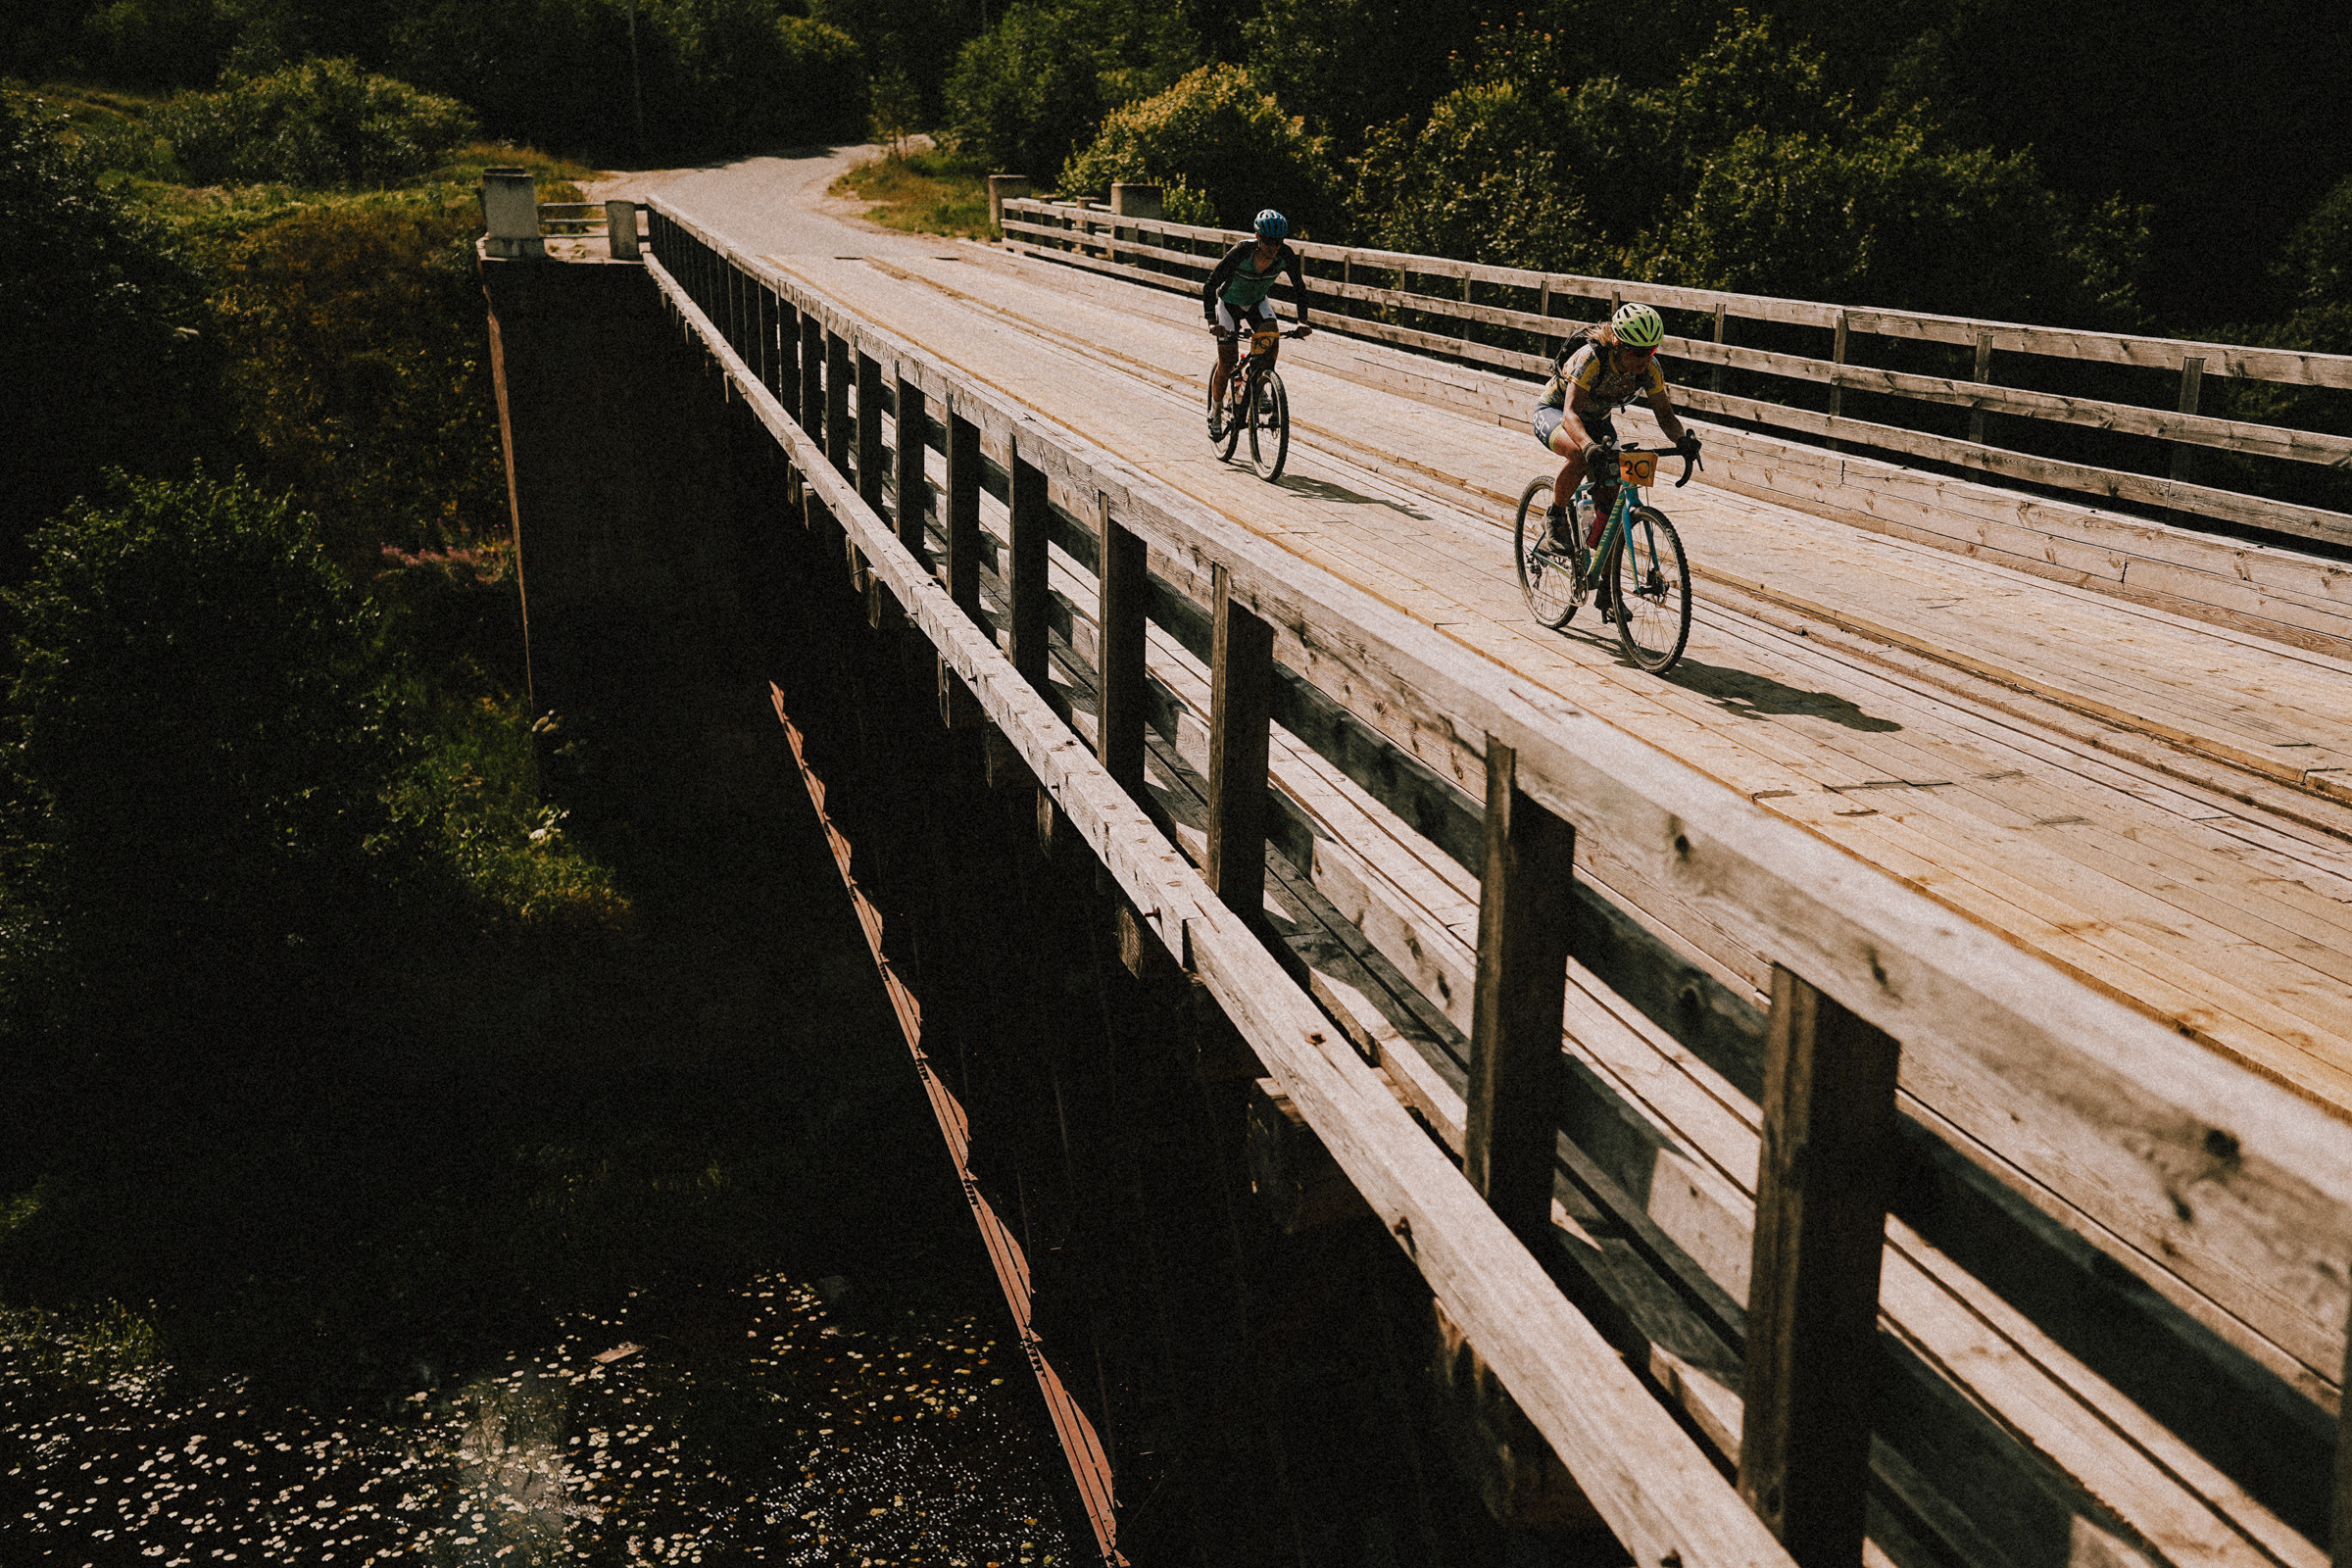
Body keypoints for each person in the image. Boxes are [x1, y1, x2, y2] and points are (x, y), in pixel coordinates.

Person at [1533, 301, 1698, 557]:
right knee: (1579, 456)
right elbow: (1571, 414)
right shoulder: (1592, 359)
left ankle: (1603, 578)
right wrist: (1587, 446)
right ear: (1619, 345)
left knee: (1610, 501)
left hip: (1598, 422)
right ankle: (1555, 516)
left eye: (1651, 350)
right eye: (1636, 352)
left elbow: (1665, 415)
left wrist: (1682, 441)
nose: (1644, 359)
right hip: (1555, 412)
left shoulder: (1650, 369)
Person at [1204, 209, 1314, 438]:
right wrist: (1212, 322)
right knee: (1227, 363)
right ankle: (1214, 412)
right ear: (1257, 237)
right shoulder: (1241, 252)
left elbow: (1300, 288)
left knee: (1271, 343)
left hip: (1256, 302)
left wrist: (1302, 320)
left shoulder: (1285, 255)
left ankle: (1262, 383)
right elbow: (1210, 284)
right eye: (1268, 242)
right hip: (1230, 304)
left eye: (1278, 242)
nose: (1273, 247)